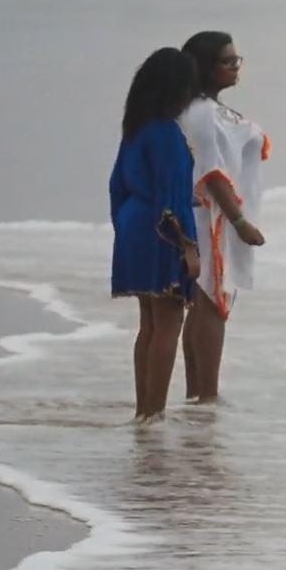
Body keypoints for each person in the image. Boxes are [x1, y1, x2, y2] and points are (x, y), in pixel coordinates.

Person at [110, 48, 202, 422]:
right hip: (160, 231)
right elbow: (169, 200)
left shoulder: (135, 128)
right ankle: (155, 414)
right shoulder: (165, 132)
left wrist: (126, 228)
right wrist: (187, 247)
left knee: (148, 325)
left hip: (133, 225)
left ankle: (143, 412)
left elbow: (117, 184)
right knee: (169, 324)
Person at [177, 31, 269, 404]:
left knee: (205, 303)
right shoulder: (199, 112)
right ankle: (206, 396)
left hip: (220, 214)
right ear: (204, 67)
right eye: (226, 61)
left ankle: (198, 394)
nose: (235, 67)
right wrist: (239, 221)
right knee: (212, 302)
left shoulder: (211, 109)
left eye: (236, 60)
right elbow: (210, 172)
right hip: (210, 217)